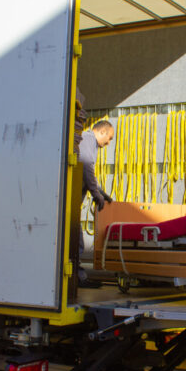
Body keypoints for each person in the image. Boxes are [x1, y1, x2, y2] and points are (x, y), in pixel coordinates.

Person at [76, 119, 114, 288]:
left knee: (76, 238)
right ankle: (78, 277)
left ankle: (78, 276)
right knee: (76, 240)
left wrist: (102, 193)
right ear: (102, 132)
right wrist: (96, 194)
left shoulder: (87, 142)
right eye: (110, 138)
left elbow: (88, 172)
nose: (109, 142)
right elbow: (86, 167)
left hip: (73, 203)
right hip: (68, 204)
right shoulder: (88, 140)